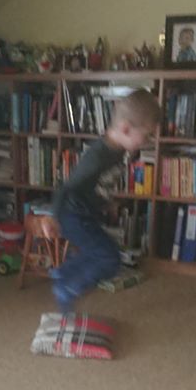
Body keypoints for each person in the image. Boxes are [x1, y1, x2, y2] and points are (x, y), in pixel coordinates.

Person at [50, 89, 161, 312]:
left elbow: (97, 184)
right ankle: (67, 286)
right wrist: (53, 217)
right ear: (126, 128)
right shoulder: (98, 155)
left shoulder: (118, 150)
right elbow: (68, 186)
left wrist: (106, 203)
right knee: (108, 258)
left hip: (83, 212)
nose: (149, 140)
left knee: (101, 254)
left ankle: (64, 273)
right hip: (71, 214)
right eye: (147, 135)